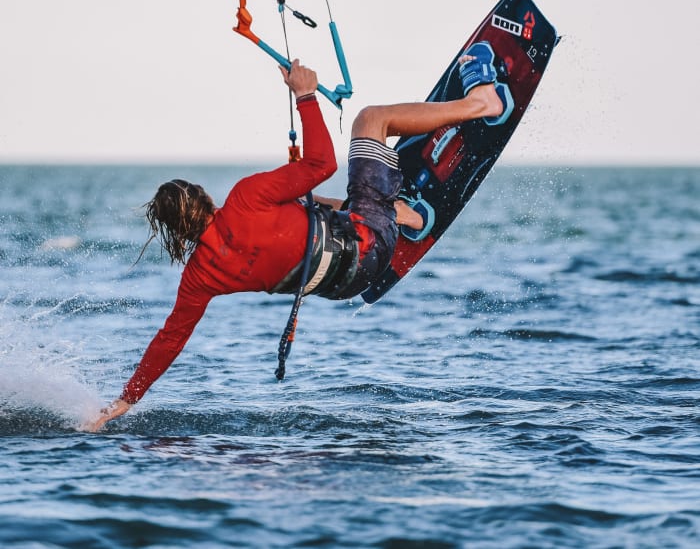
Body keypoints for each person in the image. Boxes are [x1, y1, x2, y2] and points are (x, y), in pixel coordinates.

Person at [83, 48, 507, 432]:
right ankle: (481, 103)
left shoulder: (200, 276)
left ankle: (408, 215)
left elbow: (169, 339)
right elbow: (322, 162)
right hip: (369, 243)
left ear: (178, 233)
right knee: (370, 120)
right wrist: (305, 95)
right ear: (204, 197)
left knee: (308, 205)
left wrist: (125, 400)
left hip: (351, 283)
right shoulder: (245, 198)